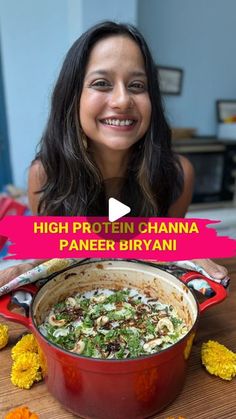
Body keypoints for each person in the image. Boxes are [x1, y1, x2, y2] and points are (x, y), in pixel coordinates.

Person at [0, 21, 228, 286]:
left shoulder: (178, 174)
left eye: (137, 85)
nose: (122, 100)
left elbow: (161, 257)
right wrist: (29, 266)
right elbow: (56, 255)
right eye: (101, 83)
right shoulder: (45, 174)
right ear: (73, 98)